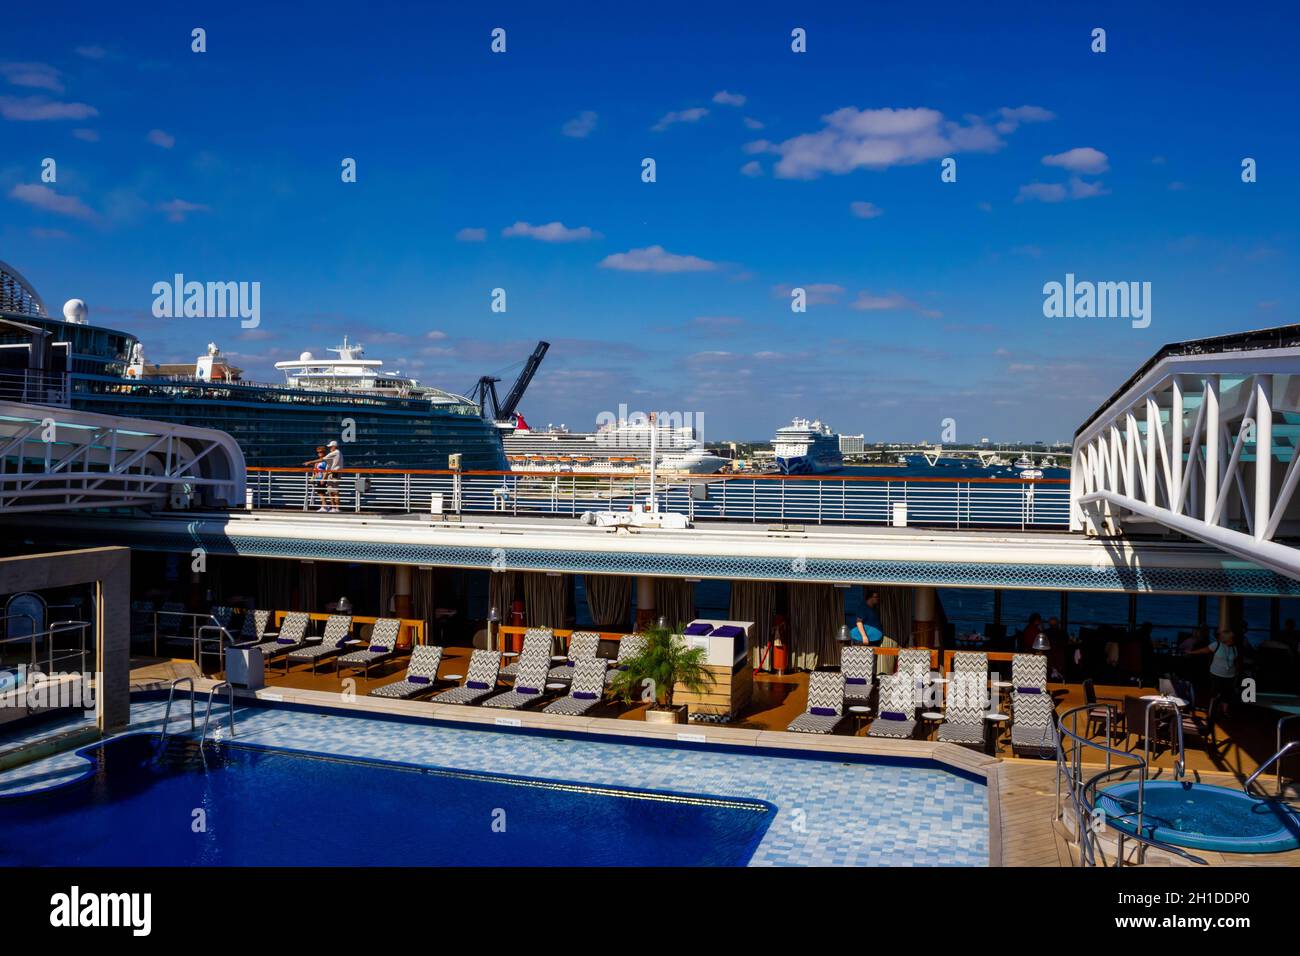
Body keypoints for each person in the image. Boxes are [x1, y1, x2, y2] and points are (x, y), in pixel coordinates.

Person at [1190, 627, 1240, 727]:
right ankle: (1213, 711)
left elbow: (1235, 661)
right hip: (1216, 674)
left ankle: (1224, 712)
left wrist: (1237, 673)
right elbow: (1203, 651)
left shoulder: (1234, 648)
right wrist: (1191, 652)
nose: (1233, 640)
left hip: (1230, 675)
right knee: (1215, 693)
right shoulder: (1216, 644)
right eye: (1231, 638)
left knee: (1227, 694)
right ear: (1227, 639)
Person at [303, 445, 328, 511]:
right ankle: (324, 506)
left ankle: (325, 506)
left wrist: (324, 478)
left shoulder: (325, 460)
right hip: (317, 478)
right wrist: (313, 477)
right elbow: (315, 470)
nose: (319, 453)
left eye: (321, 452)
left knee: (321, 492)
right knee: (320, 492)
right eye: (318, 452)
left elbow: (326, 470)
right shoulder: (317, 462)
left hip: (322, 478)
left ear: (324, 452)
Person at [322, 439, 343, 511]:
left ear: (334, 446)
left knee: (335, 491)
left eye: (330, 447)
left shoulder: (336, 452)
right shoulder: (338, 453)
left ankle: (336, 508)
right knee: (331, 491)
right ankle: (334, 507)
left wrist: (310, 462)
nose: (329, 448)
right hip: (332, 473)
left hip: (334, 473)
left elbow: (323, 459)